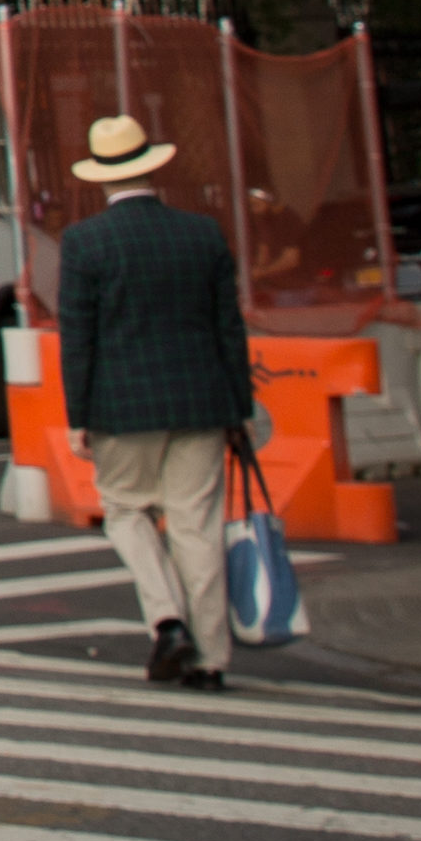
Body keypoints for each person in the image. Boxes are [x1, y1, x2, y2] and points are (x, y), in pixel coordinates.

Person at [48, 114, 260, 690]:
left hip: (120, 405)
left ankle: (166, 620)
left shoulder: (85, 243)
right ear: (152, 167)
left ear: (101, 179)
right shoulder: (202, 234)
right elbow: (229, 330)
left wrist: (79, 417)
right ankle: (211, 659)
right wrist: (239, 407)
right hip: (202, 400)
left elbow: (79, 338)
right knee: (197, 524)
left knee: (125, 512)